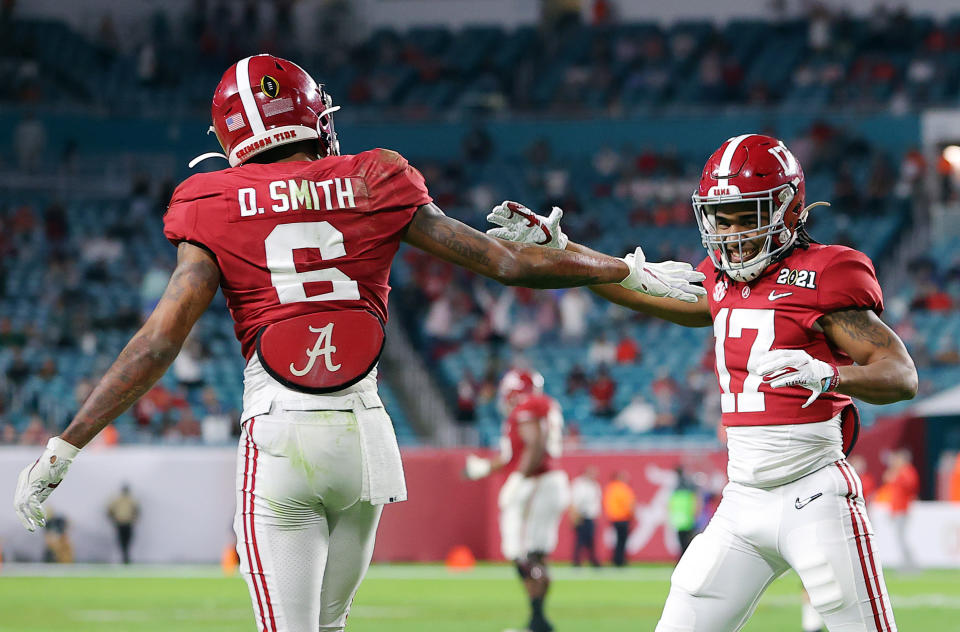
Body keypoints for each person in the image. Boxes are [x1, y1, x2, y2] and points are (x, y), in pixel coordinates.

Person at [12, 55, 705, 632]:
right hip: (367, 442)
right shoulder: (375, 176)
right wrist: (629, 268)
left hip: (282, 439)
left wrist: (66, 442)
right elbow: (510, 264)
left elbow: (160, 340)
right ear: (312, 118)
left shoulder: (210, 199)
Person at [487, 133, 918, 631]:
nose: (731, 233)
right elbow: (629, 281)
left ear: (789, 210)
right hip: (742, 498)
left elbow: (901, 374)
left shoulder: (824, 273)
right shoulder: (718, 278)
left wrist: (831, 373)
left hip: (815, 492)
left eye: (746, 217)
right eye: (722, 218)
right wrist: (561, 251)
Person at [463, 368, 570, 632]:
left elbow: (535, 444)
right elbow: (515, 453)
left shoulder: (528, 406)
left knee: (521, 554)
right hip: (548, 481)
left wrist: (519, 479)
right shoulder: (540, 405)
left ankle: (537, 622)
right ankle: (539, 620)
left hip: (537, 483)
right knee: (536, 555)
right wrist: (484, 468)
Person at [880, 448, 919, 570]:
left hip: (902, 509)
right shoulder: (900, 471)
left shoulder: (907, 471)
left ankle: (910, 565)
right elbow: (887, 479)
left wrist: (897, 473)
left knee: (902, 539)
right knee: (900, 538)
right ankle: (907, 564)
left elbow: (910, 486)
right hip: (897, 509)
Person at [569, 465, 602, 567]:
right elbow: (574, 501)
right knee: (580, 540)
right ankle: (577, 561)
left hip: (591, 516)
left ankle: (593, 560)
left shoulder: (595, 485)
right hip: (581, 515)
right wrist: (574, 516)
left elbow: (596, 502)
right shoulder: (579, 484)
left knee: (590, 540)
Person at [603, 470, 636, 567]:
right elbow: (628, 504)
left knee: (619, 540)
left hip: (615, 517)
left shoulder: (611, 488)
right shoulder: (623, 488)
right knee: (622, 540)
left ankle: (618, 559)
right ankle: (619, 560)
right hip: (623, 517)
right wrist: (631, 513)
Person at [667, 466, 699, 558]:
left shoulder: (675, 488)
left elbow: (672, 505)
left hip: (679, 520)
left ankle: (682, 559)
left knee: (682, 543)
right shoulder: (689, 486)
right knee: (688, 542)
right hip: (688, 519)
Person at [106, 483, 140, 564]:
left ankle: (125, 556)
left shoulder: (124, 500)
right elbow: (109, 511)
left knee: (125, 541)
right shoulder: (129, 500)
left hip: (124, 523)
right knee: (124, 541)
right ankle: (125, 557)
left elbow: (137, 511)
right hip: (122, 523)